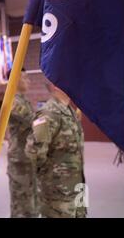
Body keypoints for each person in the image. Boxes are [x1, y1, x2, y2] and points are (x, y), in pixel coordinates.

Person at [25, 82, 86, 218]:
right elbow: (34, 151)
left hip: (77, 187)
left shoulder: (70, 111)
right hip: (58, 194)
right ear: (56, 85)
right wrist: (50, 178)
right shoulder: (48, 114)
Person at [6, 69, 38, 218]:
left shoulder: (23, 100)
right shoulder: (13, 101)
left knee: (30, 201)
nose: (29, 81)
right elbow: (33, 120)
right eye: (25, 78)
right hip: (19, 160)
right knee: (21, 204)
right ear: (16, 79)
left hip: (26, 158)